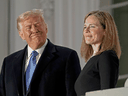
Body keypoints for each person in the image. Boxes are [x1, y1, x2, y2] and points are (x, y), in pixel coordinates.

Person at [0, 9, 81, 96]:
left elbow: (73, 93)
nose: (34, 30)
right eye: (29, 27)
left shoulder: (67, 56)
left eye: (37, 25)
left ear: (46, 28)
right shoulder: (8, 62)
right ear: (21, 34)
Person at [75, 10, 121, 96]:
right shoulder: (93, 59)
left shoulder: (107, 56)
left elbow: (107, 93)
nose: (86, 30)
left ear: (105, 31)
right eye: (85, 27)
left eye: (92, 26)